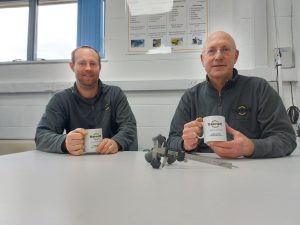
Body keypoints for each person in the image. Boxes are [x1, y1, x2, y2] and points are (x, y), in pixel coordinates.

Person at [167, 31, 297, 158]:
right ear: (202, 59)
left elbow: (286, 139)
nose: (218, 56)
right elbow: (172, 141)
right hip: (204, 170)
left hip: (252, 169)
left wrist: (251, 147)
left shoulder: (259, 89)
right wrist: (184, 144)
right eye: (211, 51)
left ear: (235, 56)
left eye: (225, 49)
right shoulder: (190, 97)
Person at [35, 45, 137, 155]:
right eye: (82, 63)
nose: (88, 68)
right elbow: (41, 135)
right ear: (72, 66)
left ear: (100, 67)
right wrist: (64, 142)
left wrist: (116, 142)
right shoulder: (61, 99)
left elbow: (129, 127)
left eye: (93, 63)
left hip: (111, 159)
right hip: (76, 164)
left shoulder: (115, 94)